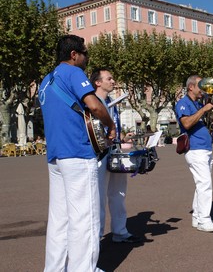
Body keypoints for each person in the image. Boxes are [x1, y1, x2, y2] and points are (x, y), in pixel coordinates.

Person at [39, 35, 116, 271]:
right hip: (77, 152)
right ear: (74, 55)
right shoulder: (72, 73)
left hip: (56, 155)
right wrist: (110, 124)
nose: (86, 58)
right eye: (85, 54)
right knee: (85, 218)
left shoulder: (46, 80)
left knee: (59, 220)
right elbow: (93, 105)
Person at [90, 68, 142, 244]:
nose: (113, 81)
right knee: (98, 198)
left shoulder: (111, 102)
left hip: (114, 152)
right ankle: (96, 238)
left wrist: (122, 137)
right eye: (109, 78)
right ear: (98, 82)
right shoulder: (92, 103)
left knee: (118, 193)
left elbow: (113, 131)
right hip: (99, 154)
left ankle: (120, 231)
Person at [175, 75, 213, 232]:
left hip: (205, 148)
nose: (205, 89)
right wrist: (203, 110)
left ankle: (197, 217)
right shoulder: (183, 103)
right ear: (191, 87)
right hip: (195, 148)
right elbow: (186, 123)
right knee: (205, 185)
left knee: (201, 185)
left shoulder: (198, 103)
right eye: (201, 85)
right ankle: (204, 220)